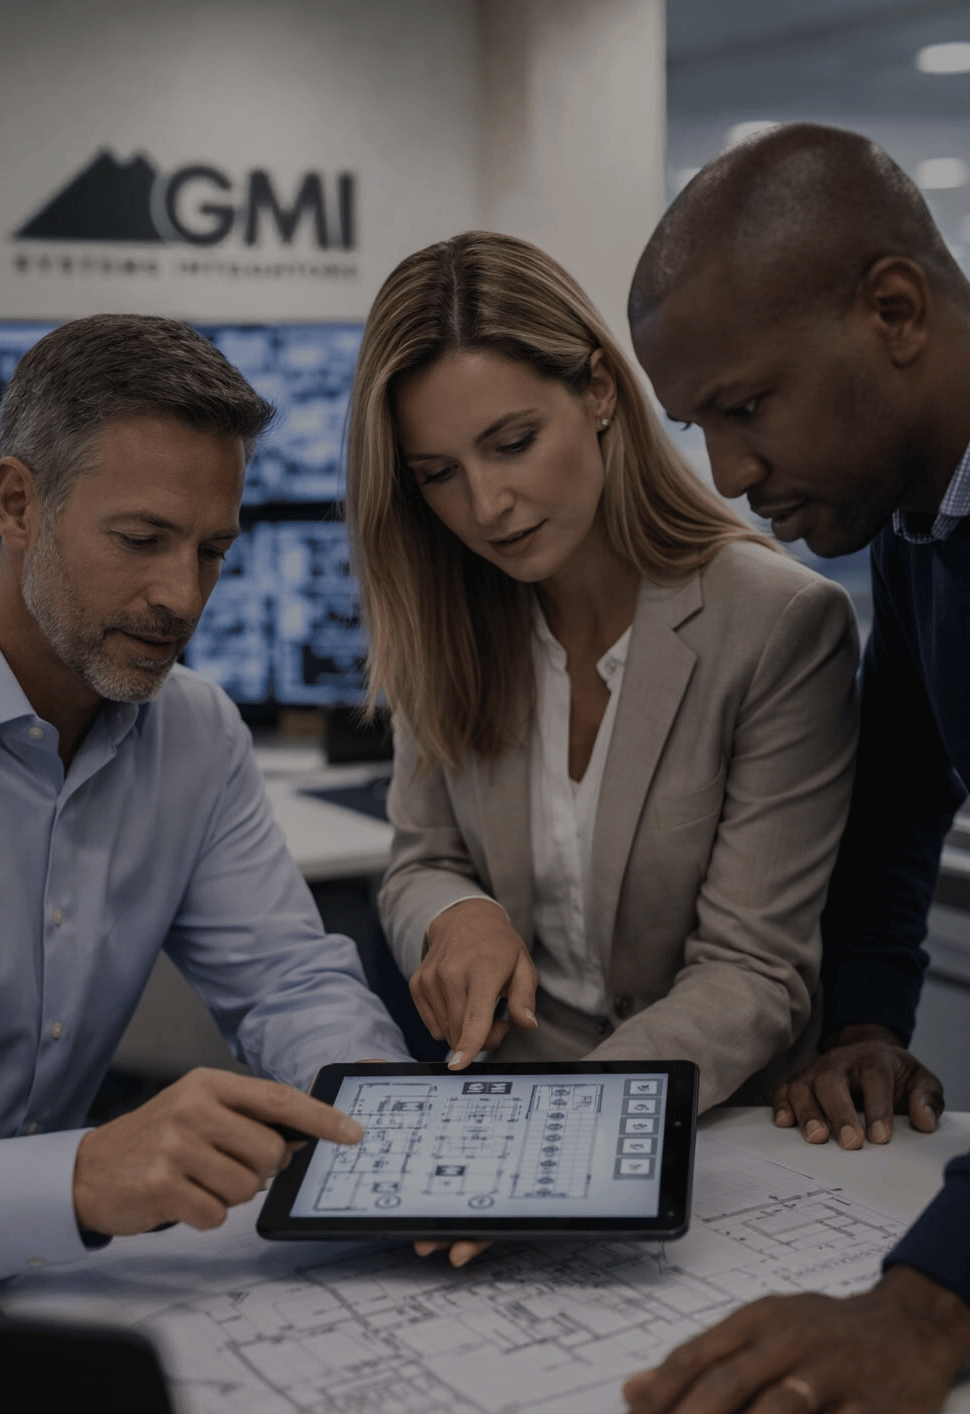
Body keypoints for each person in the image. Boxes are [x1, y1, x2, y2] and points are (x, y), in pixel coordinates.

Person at [612, 121, 970, 1414]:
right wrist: (869, 1012)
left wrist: (929, 1304)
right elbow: (901, 776)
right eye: (697, 424)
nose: (725, 476)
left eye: (746, 407)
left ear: (894, 312)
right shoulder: (928, 518)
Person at [347, 230, 859, 1123]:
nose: (485, 506)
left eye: (511, 443)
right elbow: (421, 861)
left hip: (709, 1122)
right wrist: (458, 913)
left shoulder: (777, 623)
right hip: (501, 1104)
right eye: (438, 475)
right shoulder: (450, 612)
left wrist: (571, 1128)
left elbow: (752, 972)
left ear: (597, 389)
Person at [0, 314, 411, 1289]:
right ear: (17, 503)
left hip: (44, 1292)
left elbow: (288, 982)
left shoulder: (195, 733)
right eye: (143, 539)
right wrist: (72, 1179)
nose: (182, 597)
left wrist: (385, 1134)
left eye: (210, 550)